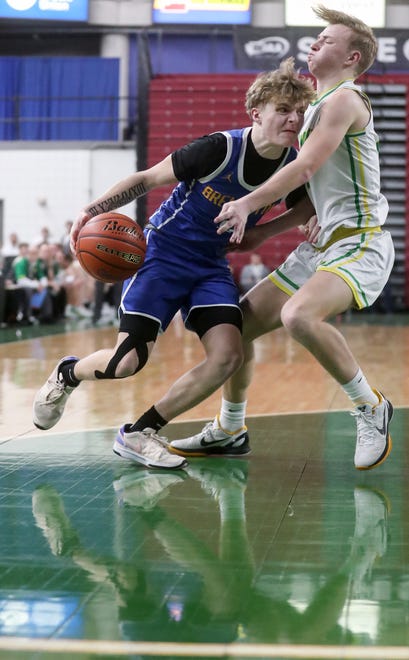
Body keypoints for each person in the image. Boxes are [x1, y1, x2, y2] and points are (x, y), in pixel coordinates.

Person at [32, 58, 316, 470]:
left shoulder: (292, 166)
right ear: (256, 113)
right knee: (125, 363)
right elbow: (146, 178)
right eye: (283, 110)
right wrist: (90, 209)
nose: (294, 119)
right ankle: (68, 373)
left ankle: (140, 432)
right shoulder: (218, 148)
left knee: (228, 357)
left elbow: (304, 205)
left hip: (211, 266)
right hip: (163, 255)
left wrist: (265, 232)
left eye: (299, 112)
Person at [170, 5, 395, 471]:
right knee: (239, 326)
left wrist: (249, 205)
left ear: (352, 57)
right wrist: (262, 234)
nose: (315, 42)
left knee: (298, 316)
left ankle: (370, 405)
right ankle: (231, 429)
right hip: (322, 245)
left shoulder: (346, 100)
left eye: (327, 39)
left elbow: (307, 168)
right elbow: (314, 199)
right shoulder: (315, 108)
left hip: (361, 239)